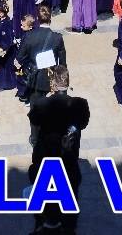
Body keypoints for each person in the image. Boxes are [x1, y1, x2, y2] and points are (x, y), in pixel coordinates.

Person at [28, 64, 90, 197]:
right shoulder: (81, 104)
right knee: (71, 194)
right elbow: (83, 124)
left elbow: (34, 124)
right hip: (69, 155)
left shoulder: (41, 104)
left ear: (53, 85)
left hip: (46, 155)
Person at [15, 4, 66, 107]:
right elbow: (62, 64)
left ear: (38, 19)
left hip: (33, 76)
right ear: (50, 18)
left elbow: (19, 57)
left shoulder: (29, 36)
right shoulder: (58, 37)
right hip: (49, 77)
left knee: (36, 108)